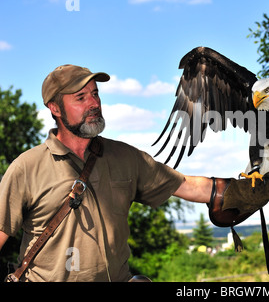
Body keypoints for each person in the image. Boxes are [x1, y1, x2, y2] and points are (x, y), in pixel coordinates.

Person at [0, 64, 213, 282]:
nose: (94, 103)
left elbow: (186, 185)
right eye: (81, 98)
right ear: (55, 108)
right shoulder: (27, 168)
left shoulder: (124, 157)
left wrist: (240, 191)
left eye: (95, 94)